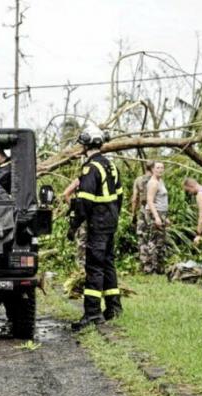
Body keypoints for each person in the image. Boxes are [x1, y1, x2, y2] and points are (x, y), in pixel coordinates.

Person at [68, 125, 123, 331]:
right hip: (110, 223)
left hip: (98, 225)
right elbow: (120, 196)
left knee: (94, 267)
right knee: (108, 265)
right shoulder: (111, 166)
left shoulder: (90, 168)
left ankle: (92, 314)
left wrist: (73, 226)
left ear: (85, 144)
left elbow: (84, 201)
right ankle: (113, 308)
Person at [143, 161, 169, 274]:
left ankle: (158, 267)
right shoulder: (153, 183)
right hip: (155, 212)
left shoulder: (161, 181)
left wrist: (165, 217)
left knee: (160, 241)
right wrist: (157, 217)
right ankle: (150, 268)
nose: (160, 170)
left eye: (162, 168)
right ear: (153, 169)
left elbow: (162, 199)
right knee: (153, 240)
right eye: (157, 168)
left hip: (162, 213)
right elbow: (150, 200)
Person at [131, 163, 153, 272]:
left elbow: (135, 198)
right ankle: (153, 264)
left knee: (141, 236)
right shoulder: (157, 180)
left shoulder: (138, 180)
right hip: (154, 210)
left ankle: (144, 263)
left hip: (143, 210)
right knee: (153, 236)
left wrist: (133, 214)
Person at [63, 178, 86, 269]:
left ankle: (81, 266)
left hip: (83, 215)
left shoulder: (81, 179)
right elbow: (66, 194)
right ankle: (81, 268)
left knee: (82, 242)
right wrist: (74, 207)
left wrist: (74, 208)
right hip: (87, 216)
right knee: (83, 241)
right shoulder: (80, 180)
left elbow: (66, 194)